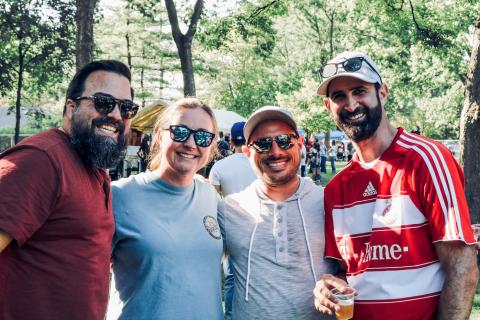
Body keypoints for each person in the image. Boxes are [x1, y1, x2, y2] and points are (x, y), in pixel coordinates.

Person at [313, 51, 478, 320]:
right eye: (339, 96)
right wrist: (329, 284)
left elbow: (462, 264)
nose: (351, 104)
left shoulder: (426, 159)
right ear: (328, 107)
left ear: (383, 93)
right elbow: (351, 270)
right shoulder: (336, 188)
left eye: (360, 91)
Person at [0, 60, 137, 320]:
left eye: (126, 108)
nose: (117, 115)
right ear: (71, 107)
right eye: (103, 103)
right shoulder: (40, 159)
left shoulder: (92, 165)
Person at [218, 106, 336, 320]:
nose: (275, 152)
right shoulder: (229, 209)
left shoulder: (329, 201)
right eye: (263, 144)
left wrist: (341, 281)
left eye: (284, 141)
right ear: (247, 152)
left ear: (299, 144)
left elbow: (354, 267)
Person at [111, 98, 223, 320]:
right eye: (180, 132)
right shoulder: (118, 196)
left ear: (211, 146)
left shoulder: (211, 197)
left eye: (202, 136)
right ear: (160, 136)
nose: (191, 144)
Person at [208, 121, 256, 320]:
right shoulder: (260, 162)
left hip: (231, 226)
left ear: (230, 140)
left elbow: (212, 199)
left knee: (231, 278)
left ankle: (230, 315)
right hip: (261, 223)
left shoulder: (219, 167)